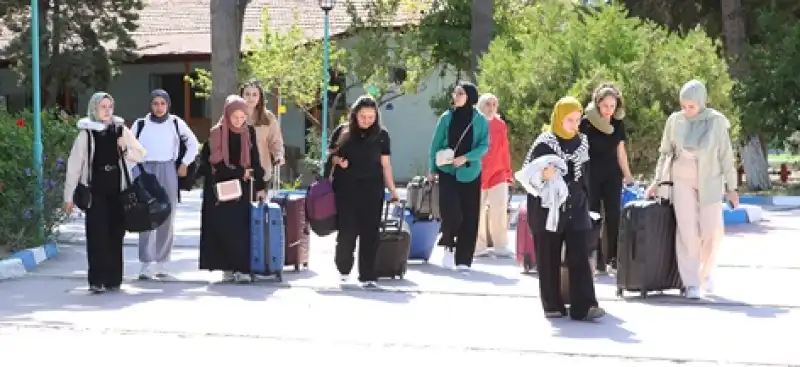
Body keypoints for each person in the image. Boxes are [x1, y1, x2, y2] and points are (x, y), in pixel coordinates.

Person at [647, 80, 738, 299]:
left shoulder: (716, 122)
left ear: (701, 102)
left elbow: (726, 155)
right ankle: (691, 283)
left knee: (712, 231)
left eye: (691, 106)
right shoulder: (674, 121)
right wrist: (657, 181)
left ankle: (705, 273)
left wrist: (732, 187)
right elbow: (665, 153)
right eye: (683, 105)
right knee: (687, 231)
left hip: (710, 180)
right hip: (682, 179)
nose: (686, 110)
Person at [525, 96, 605, 321]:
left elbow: (586, 175)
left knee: (580, 254)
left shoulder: (582, 143)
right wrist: (544, 174)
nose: (574, 124)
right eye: (569, 120)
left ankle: (585, 306)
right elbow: (528, 175)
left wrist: (587, 203)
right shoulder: (545, 142)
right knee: (548, 255)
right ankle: (552, 304)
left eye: (577, 120)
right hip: (547, 208)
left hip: (576, 205)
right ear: (559, 118)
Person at [63, 92, 146, 294]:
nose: (107, 111)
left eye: (110, 107)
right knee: (97, 235)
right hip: (95, 191)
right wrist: (68, 196)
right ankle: (97, 280)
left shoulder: (119, 129)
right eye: (103, 107)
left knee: (115, 235)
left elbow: (140, 154)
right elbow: (74, 166)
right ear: (94, 108)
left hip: (118, 189)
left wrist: (124, 149)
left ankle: (113, 279)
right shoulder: (86, 133)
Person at [326, 95, 398, 288]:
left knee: (370, 233)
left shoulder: (382, 135)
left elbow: (386, 165)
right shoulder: (343, 132)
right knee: (347, 232)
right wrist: (339, 161)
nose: (367, 120)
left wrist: (392, 190)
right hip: (346, 189)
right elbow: (330, 156)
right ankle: (343, 268)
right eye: (363, 116)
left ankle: (368, 275)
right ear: (355, 115)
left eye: (371, 117)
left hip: (372, 189)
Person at [131, 89, 199, 280]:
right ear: (150, 105)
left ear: (168, 104)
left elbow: (193, 143)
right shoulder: (140, 124)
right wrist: (134, 170)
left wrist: (185, 162)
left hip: (168, 169)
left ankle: (162, 262)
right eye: (155, 103)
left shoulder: (175, 123)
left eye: (163, 103)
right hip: (146, 169)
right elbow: (127, 146)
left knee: (167, 214)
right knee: (145, 214)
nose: (159, 107)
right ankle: (146, 262)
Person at [198, 95, 266, 283]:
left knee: (241, 229)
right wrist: (238, 172)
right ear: (227, 115)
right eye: (235, 116)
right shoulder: (217, 133)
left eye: (242, 116)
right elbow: (214, 162)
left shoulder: (248, 132)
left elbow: (255, 159)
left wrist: (260, 185)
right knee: (223, 229)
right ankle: (226, 268)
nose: (239, 120)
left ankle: (242, 268)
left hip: (241, 191)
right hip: (220, 191)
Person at [428, 81, 489, 270]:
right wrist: (431, 169)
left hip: (470, 172)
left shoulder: (480, 120)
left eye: (460, 93)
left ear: (469, 96)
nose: (456, 96)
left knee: (470, 216)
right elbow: (435, 144)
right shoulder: (446, 117)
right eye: (455, 93)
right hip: (447, 171)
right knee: (451, 211)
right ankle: (448, 245)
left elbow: (484, 146)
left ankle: (464, 260)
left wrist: (466, 158)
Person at [579, 83, 633, 273]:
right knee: (593, 216)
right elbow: (580, 150)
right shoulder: (585, 123)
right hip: (592, 174)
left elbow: (621, 151)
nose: (609, 110)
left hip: (612, 175)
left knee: (614, 216)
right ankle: (596, 258)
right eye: (605, 106)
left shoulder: (617, 123)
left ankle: (614, 258)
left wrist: (627, 175)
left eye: (612, 106)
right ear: (597, 104)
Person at [474, 93, 513, 258]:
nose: (490, 108)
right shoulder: (475, 123)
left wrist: (508, 172)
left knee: (500, 207)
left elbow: (505, 149)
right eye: (487, 104)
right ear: (480, 106)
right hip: (478, 172)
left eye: (494, 104)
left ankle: (501, 244)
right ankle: (479, 246)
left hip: (498, 173)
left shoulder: (500, 125)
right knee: (478, 210)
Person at [240, 81, 286, 188]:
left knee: (259, 203)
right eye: (247, 94)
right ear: (241, 95)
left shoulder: (268, 117)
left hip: (262, 170)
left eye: (254, 94)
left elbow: (276, 140)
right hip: (239, 172)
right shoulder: (234, 115)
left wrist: (279, 155)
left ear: (260, 97)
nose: (250, 98)